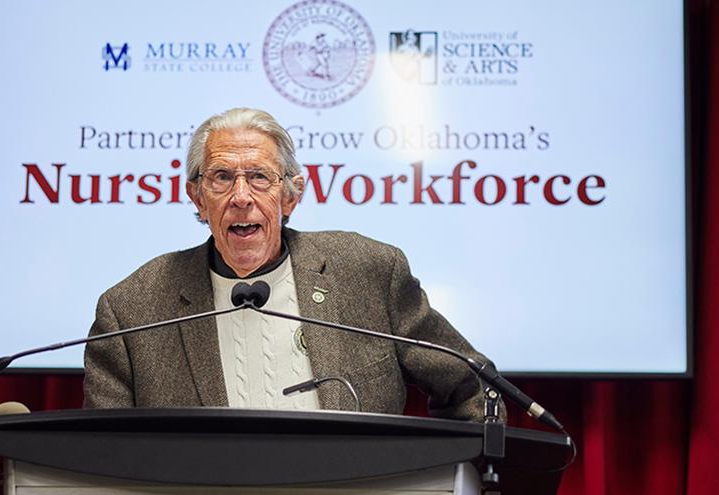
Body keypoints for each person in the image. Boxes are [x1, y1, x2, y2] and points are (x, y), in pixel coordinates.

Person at [83, 107, 496, 420]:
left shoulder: (368, 273)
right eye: (222, 177)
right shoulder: (131, 311)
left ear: (290, 197)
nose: (241, 196)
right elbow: (104, 454)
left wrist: (441, 482)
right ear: (197, 198)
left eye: (260, 177)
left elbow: (475, 386)